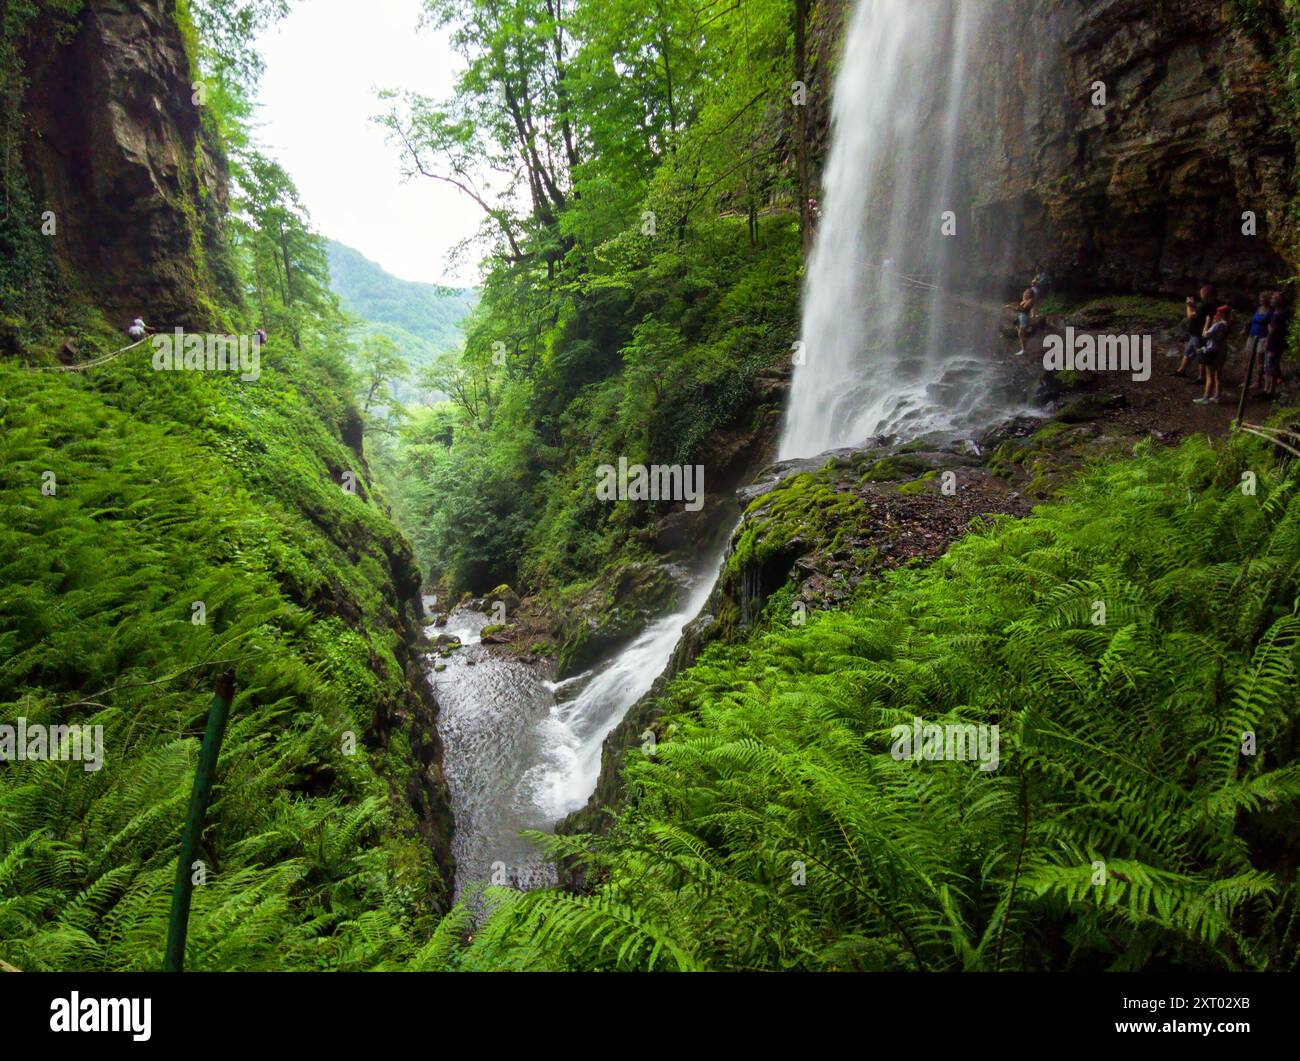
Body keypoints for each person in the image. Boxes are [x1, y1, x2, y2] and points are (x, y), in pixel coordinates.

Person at [1173, 284, 1218, 379]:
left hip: (1199, 333)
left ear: (1206, 294)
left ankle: (1201, 377)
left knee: (1200, 354)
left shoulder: (1206, 305)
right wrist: (1193, 306)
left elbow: (1191, 316)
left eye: (1202, 292)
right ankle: (1181, 370)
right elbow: (1199, 312)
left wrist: (1188, 306)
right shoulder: (1214, 304)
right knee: (1188, 352)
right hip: (1198, 333)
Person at [1192, 305, 1234, 405]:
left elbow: (1205, 335)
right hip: (1222, 350)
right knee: (1218, 374)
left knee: (1209, 375)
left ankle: (1206, 397)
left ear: (1222, 314)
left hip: (1213, 351)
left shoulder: (1218, 325)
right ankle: (1217, 396)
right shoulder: (1228, 324)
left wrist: (1207, 322)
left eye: (1218, 313)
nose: (1216, 315)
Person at [1258, 291, 1289, 400]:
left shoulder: (1280, 314)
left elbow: (1273, 329)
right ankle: (1266, 389)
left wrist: (1269, 329)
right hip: (1273, 343)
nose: (1272, 300)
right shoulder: (1276, 312)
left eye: (1275, 299)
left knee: (1272, 367)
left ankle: (1270, 391)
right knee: (1267, 367)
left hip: (1275, 344)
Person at [1242, 291, 1274, 392]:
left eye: (1262, 299)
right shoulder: (1259, 308)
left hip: (1262, 338)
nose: (1260, 300)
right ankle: (1247, 379)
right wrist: (1245, 328)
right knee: (1248, 357)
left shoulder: (1270, 312)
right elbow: (1252, 320)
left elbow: (1270, 327)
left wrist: (1269, 338)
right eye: (1260, 299)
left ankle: (1258, 381)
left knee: (1259, 360)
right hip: (1252, 335)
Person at [1006, 285, 1035, 356]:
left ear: (1030, 294)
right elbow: (1018, 309)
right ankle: (1023, 349)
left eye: (1027, 292)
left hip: (1024, 317)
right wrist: (1011, 306)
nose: (1025, 293)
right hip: (1020, 316)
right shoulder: (1024, 300)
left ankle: (1024, 350)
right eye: (1025, 292)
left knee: (1021, 334)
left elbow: (1023, 309)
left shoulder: (1030, 300)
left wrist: (1013, 306)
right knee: (1020, 334)